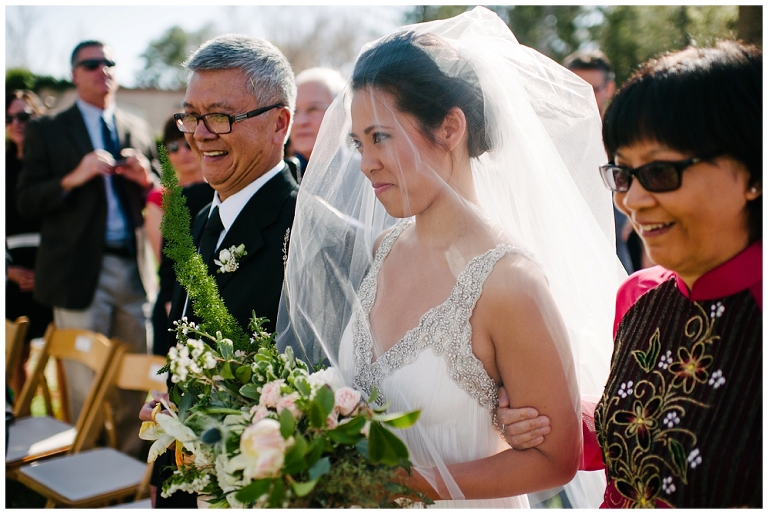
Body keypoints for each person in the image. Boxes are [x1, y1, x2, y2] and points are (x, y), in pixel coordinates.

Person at [276, 7, 623, 507]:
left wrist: (402, 485)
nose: (366, 163)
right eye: (358, 142)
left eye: (381, 137)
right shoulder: (384, 249)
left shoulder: (509, 282)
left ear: (451, 128)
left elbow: (556, 460)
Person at [499, 40, 762, 508]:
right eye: (623, 175)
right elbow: (634, 430)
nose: (632, 201)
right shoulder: (639, 295)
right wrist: (537, 414)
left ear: (751, 172)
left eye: (661, 171)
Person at [144, 34, 299, 508]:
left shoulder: (306, 233)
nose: (198, 133)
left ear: (279, 124)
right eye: (190, 115)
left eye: (219, 116)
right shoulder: (202, 216)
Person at [16, 40, 158, 458]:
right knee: (84, 380)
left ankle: (133, 466)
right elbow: (24, 201)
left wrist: (146, 178)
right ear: (75, 74)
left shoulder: (137, 127)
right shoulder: (47, 130)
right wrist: (72, 178)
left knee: (135, 372)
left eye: (110, 62)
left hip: (132, 268)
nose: (104, 70)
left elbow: (162, 195)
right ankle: (88, 464)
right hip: (77, 272)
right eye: (92, 64)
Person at [564, 49, 635, 275]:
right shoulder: (552, 140)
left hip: (616, 253)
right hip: (567, 257)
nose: (582, 97)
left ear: (609, 89)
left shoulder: (626, 135)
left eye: (591, 90)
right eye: (574, 88)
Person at [147, 116, 213, 357]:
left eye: (188, 144)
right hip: (174, 299)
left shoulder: (221, 191)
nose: (183, 152)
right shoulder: (163, 199)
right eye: (173, 147)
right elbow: (165, 262)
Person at [5, 90, 53, 396]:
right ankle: (20, 423)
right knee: (15, 356)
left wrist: (46, 274)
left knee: (63, 354)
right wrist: (8, 271)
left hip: (52, 271)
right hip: (12, 273)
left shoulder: (54, 165)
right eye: (8, 118)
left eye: (23, 116)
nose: (16, 123)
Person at [288, 67, 346, 175]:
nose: (300, 122)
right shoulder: (278, 178)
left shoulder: (366, 175)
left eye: (313, 109)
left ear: (341, 114)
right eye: (294, 111)